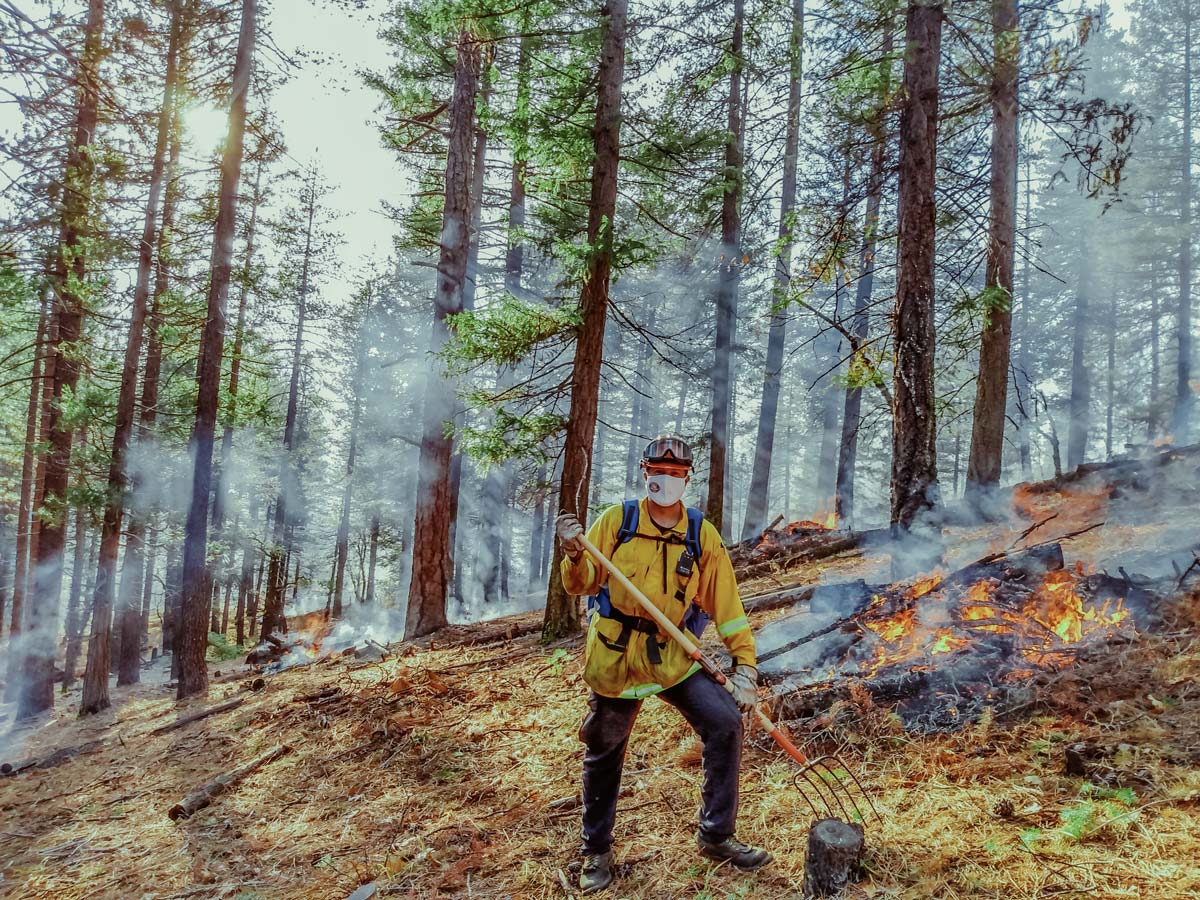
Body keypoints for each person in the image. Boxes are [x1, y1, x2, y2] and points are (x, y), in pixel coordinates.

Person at [556, 434, 771, 894]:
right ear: (644, 472)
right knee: (605, 748)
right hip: (616, 658)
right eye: (658, 471)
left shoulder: (700, 534)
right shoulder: (618, 520)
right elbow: (582, 584)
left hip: (673, 655)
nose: (666, 480)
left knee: (724, 721)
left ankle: (716, 835)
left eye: (675, 474)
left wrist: (746, 668)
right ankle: (596, 851)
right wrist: (574, 553)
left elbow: (728, 607)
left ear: (687, 478)